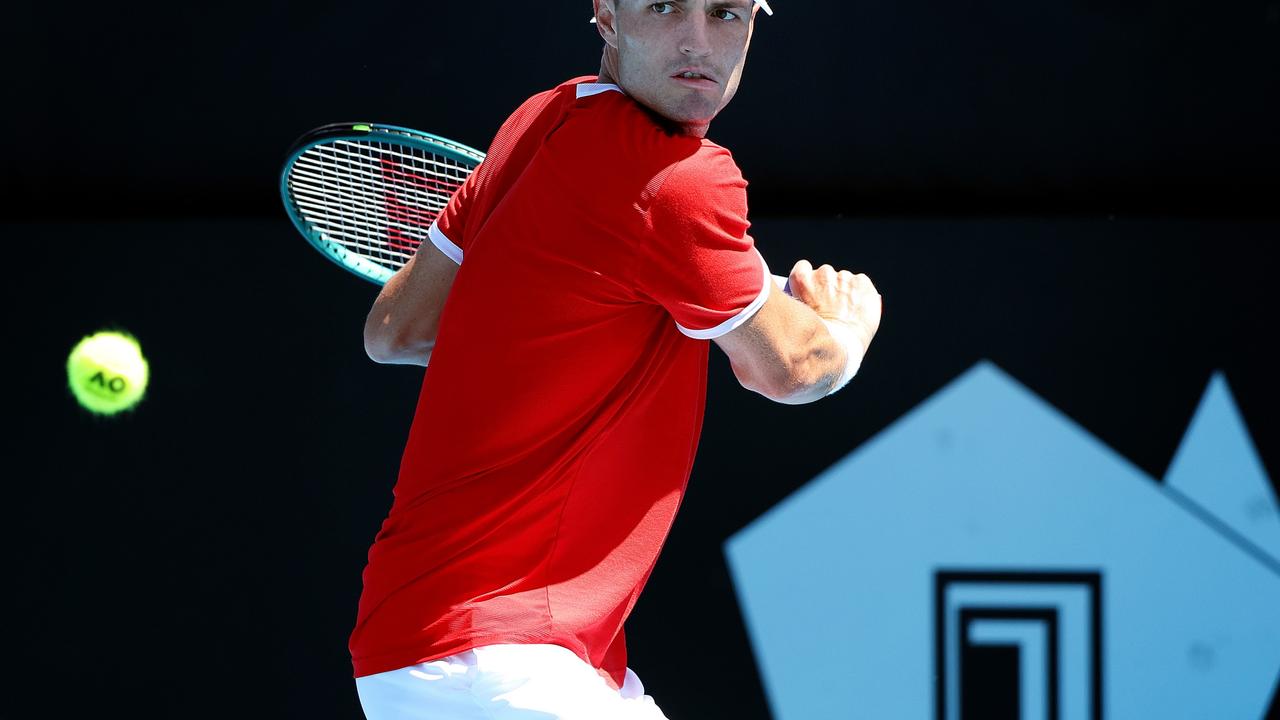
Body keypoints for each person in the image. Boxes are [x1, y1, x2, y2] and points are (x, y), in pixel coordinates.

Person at [353, 1, 882, 718]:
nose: (697, 42)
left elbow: (397, 329)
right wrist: (847, 327)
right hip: (506, 660)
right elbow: (792, 367)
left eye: (726, 13)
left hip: (413, 642)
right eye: (665, 7)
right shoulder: (682, 180)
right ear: (606, 11)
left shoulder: (538, 122)